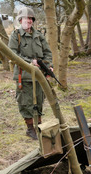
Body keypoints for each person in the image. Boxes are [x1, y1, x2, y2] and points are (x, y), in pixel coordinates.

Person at [8, 7, 53, 140]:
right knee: (25, 102)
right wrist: (30, 62)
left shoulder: (39, 35)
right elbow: (12, 54)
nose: (28, 21)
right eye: (25, 19)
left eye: (31, 19)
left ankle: (39, 125)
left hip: (40, 76)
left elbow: (48, 53)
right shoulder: (15, 35)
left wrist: (48, 66)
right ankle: (29, 129)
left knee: (39, 100)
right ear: (20, 20)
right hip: (24, 76)